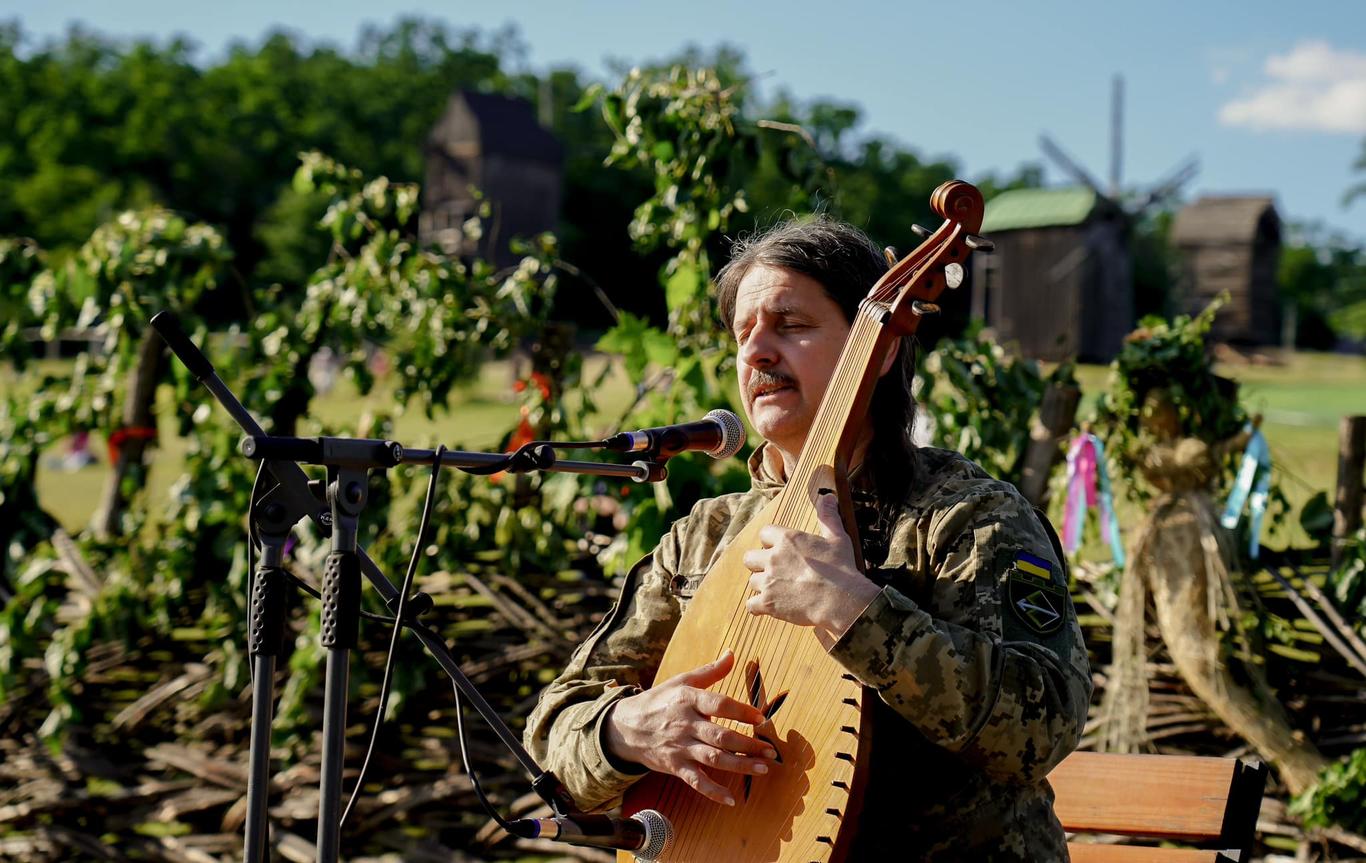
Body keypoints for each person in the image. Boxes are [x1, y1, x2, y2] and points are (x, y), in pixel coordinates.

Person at [524, 217, 1091, 860]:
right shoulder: (703, 539)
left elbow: (1042, 724)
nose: (757, 352)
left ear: (874, 351)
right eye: (744, 333)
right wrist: (628, 729)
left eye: (791, 326)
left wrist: (855, 612)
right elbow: (553, 731)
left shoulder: (967, 517)